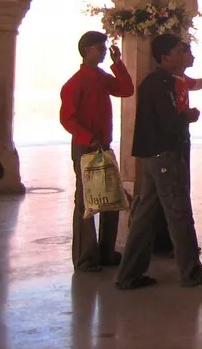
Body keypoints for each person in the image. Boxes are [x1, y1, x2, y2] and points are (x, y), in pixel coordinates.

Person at [115, 33, 202, 290]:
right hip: (164, 154)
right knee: (179, 213)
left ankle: (128, 275)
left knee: (145, 216)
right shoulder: (159, 83)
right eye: (178, 50)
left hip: (155, 156)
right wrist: (188, 115)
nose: (183, 53)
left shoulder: (164, 81)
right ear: (166, 57)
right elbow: (169, 119)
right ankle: (191, 272)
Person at [59, 31, 134, 273]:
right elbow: (67, 118)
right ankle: (85, 258)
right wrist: (88, 138)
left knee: (110, 200)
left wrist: (118, 63)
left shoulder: (101, 77)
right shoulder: (75, 83)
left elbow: (126, 89)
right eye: (100, 48)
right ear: (88, 49)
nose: (103, 52)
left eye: (104, 48)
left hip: (104, 146)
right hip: (86, 148)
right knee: (86, 203)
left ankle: (106, 252)